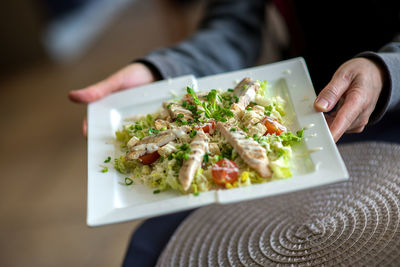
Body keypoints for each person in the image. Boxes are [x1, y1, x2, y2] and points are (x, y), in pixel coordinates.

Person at [68, 0, 400, 265]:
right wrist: (161, 70)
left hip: (391, 115)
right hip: (304, 109)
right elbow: (231, 26)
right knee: (159, 246)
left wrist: (386, 71)